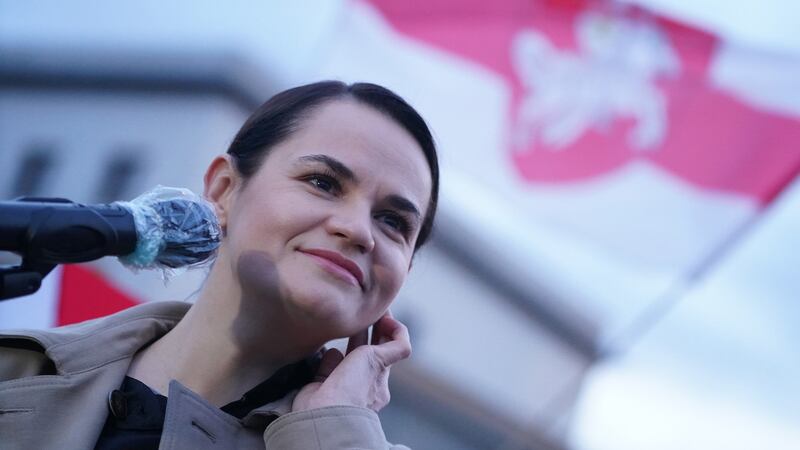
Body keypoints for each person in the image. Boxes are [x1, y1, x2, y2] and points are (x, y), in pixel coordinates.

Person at [0, 80, 439, 449]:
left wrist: (332, 432)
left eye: (393, 221)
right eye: (322, 182)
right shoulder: (13, 371)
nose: (358, 230)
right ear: (225, 189)